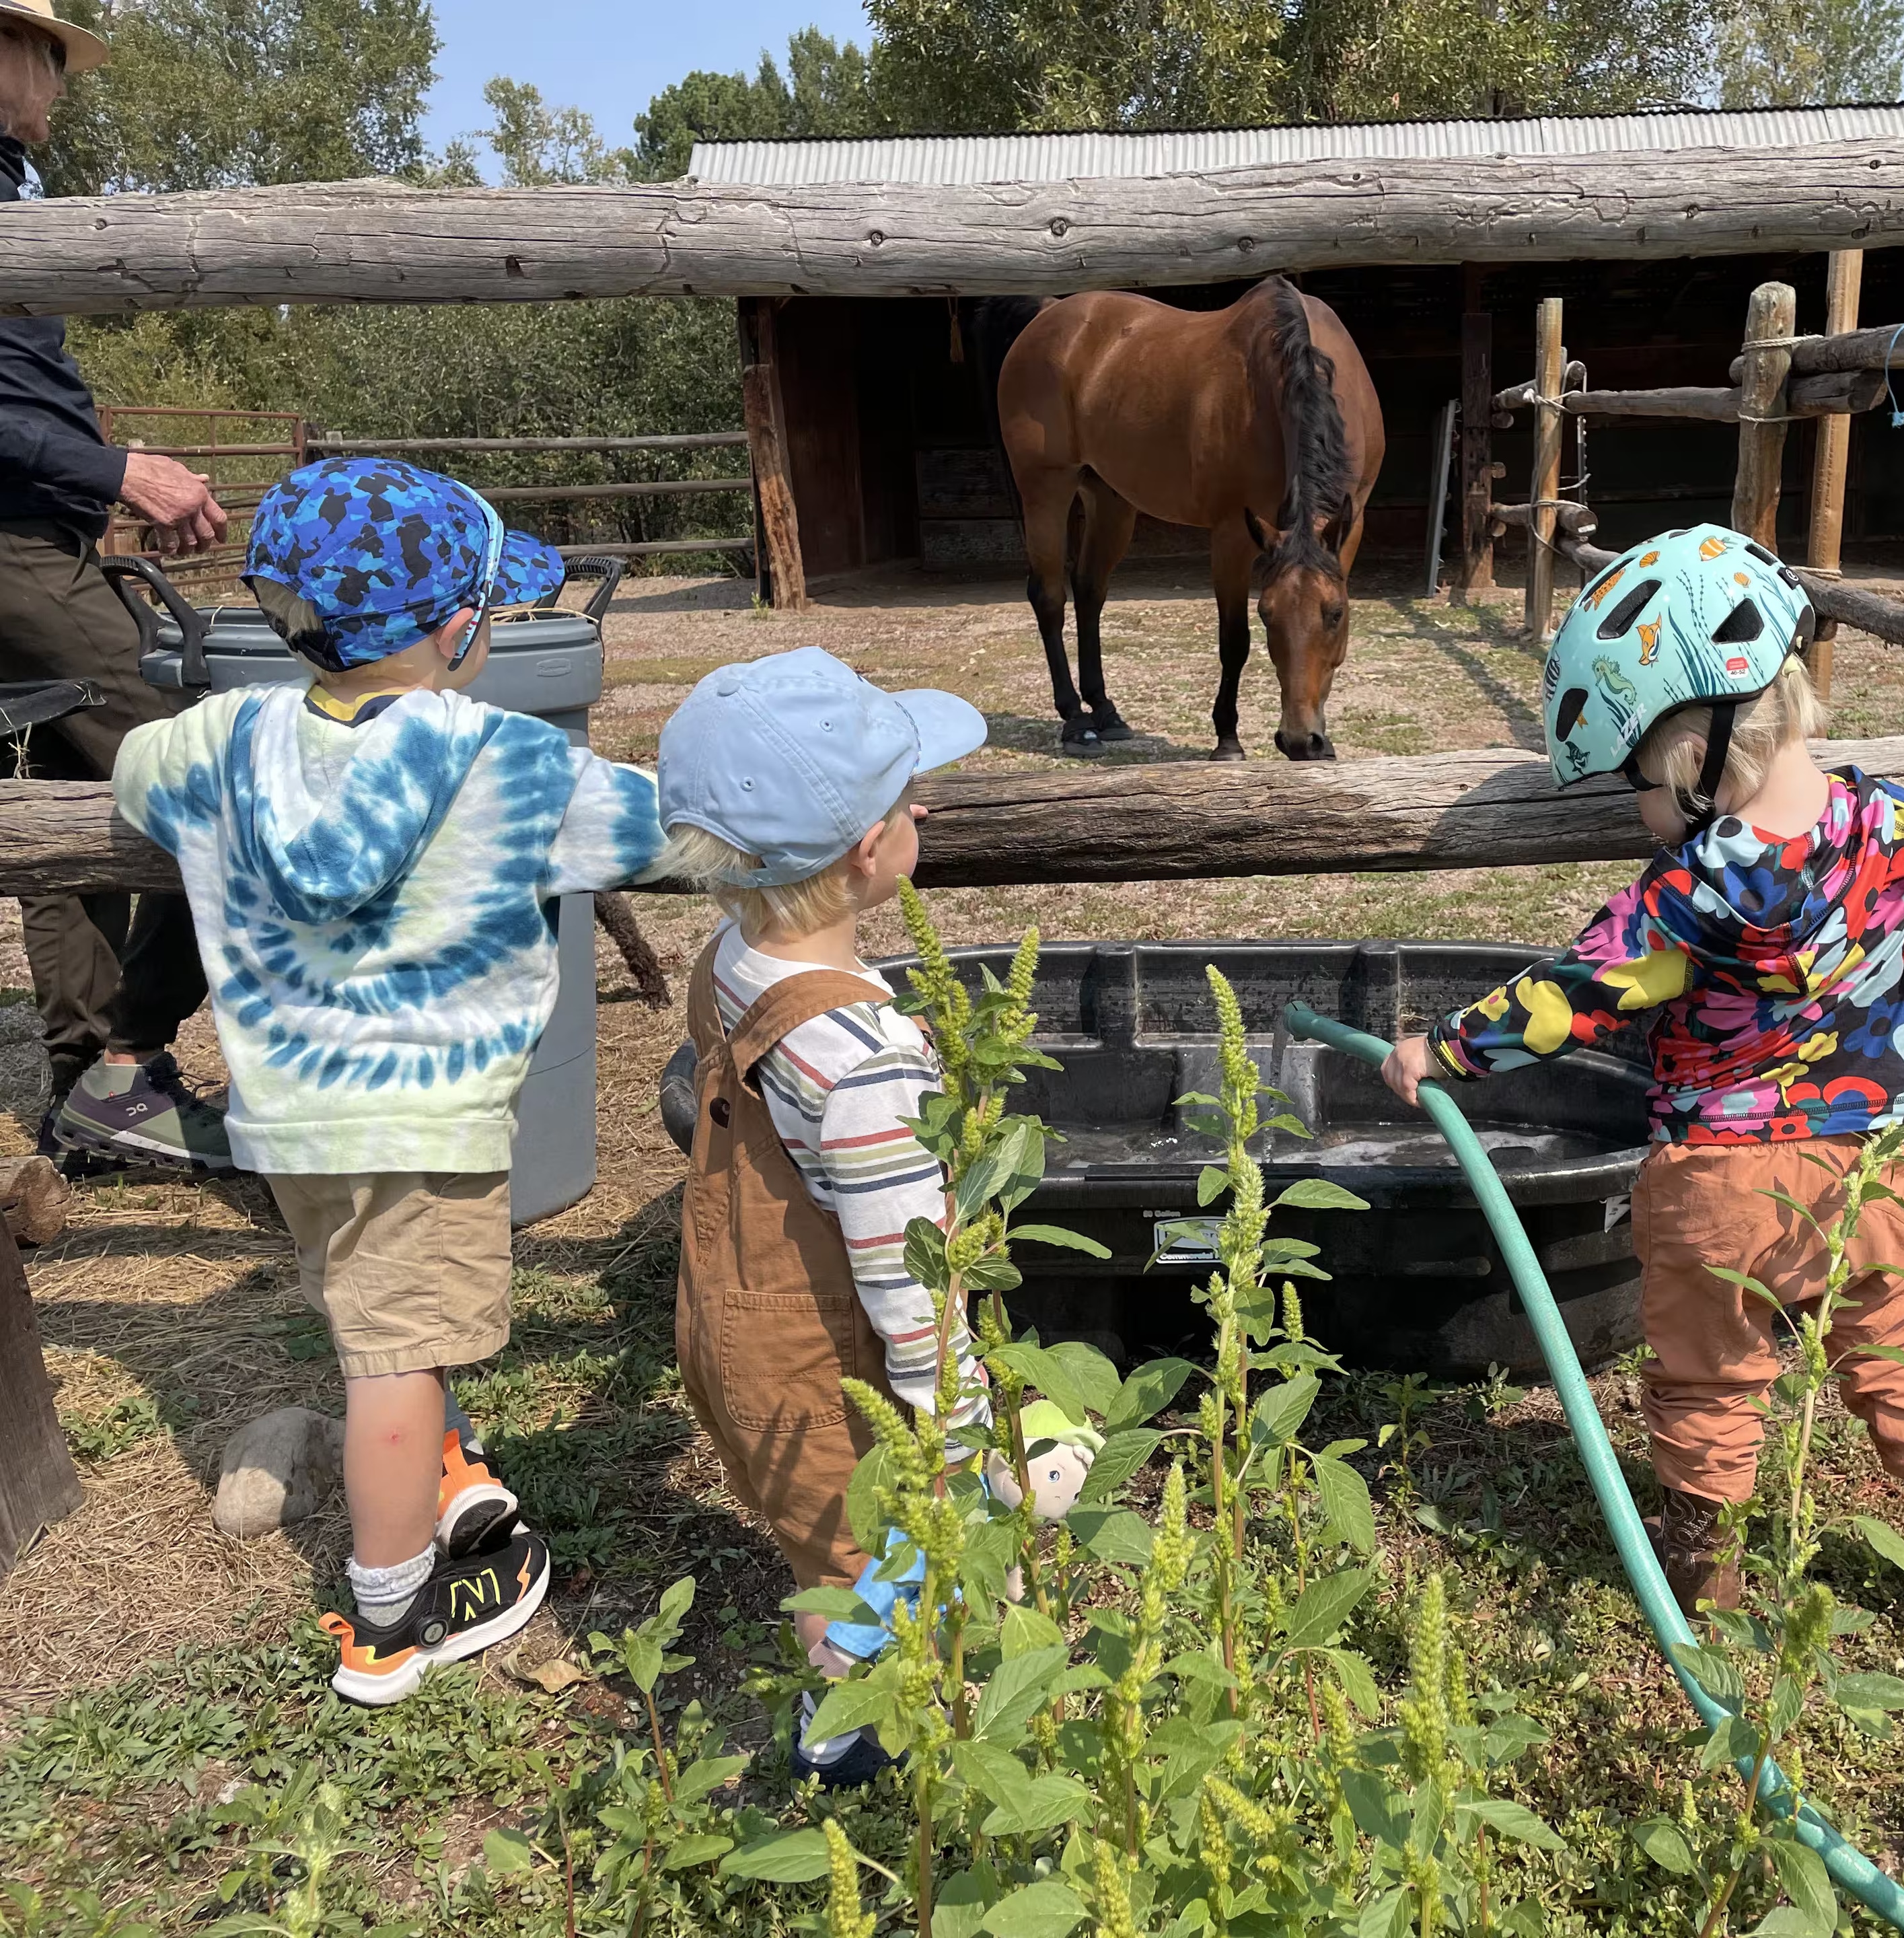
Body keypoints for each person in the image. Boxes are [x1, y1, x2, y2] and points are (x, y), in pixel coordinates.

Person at [1379, 525, 1904, 1651]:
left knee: (1708, 1384)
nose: (1634, 811)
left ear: (1696, 765)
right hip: (1867, 1170)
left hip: (1714, 1184)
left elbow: (1574, 996)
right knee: (1898, 1359)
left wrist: (1440, 1050)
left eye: (1637, 783)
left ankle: (1708, 1587)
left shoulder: (1683, 896)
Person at [111, 458, 669, 1704]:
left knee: (372, 1309)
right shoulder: (508, 766)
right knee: (395, 1355)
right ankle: (395, 1608)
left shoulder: (220, 737)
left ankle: (445, 1468)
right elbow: (661, 826)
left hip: (292, 1114)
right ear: (460, 625)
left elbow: (136, 774)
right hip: (427, 1118)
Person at [657, 647, 1091, 1785]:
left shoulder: (733, 960)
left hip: (739, 1329)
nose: (927, 805)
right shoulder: (867, 1063)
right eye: (909, 798)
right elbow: (906, 1276)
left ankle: (851, 1696)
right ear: (868, 853)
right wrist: (960, 1440)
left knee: (824, 1545)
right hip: (834, 1360)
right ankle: (865, 1741)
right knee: (876, 1559)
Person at [0, 0, 239, 1174]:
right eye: (44, 52)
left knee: (70, 789)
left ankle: (90, 1077)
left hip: (39, 533)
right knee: (209, 772)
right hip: (12, 547)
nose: (57, 79)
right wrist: (118, 469)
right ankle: (123, 1059)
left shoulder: (11, 196)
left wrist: (103, 473)